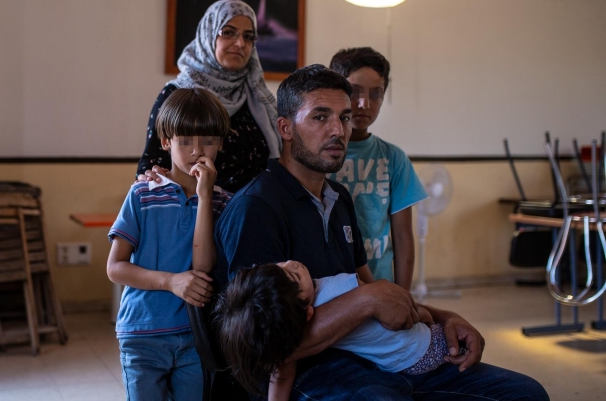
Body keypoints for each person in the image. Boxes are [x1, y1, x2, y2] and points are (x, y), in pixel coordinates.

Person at [214, 64, 549, 400]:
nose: (337, 130)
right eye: (320, 117)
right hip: (309, 369)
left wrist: (445, 317)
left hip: (377, 355)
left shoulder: (338, 197)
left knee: (525, 393)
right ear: (285, 127)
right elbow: (259, 345)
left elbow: (373, 288)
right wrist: (364, 301)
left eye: (344, 118)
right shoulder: (256, 208)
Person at [107, 88, 234, 400]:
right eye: (185, 140)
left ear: (219, 142)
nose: (197, 150)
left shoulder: (223, 202)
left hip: (195, 336)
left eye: (207, 140)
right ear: (166, 142)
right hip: (141, 334)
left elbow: (203, 267)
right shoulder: (142, 195)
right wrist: (171, 281)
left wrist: (205, 196)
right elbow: (115, 267)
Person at [215, 261, 450, 400]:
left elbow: (282, 370)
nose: (292, 263)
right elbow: (398, 308)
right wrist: (428, 318)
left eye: (280, 265)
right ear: (308, 314)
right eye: (295, 276)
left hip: (410, 355)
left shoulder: (285, 321)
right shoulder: (342, 285)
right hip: (423, 354)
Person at [138, 0, 280, 193]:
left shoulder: (259, 98)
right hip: (200, 212)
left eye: (248, 37)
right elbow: (151, 163)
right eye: (228, 32)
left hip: (258, 212)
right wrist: (151, 174)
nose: (240, 43)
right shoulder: (178, 94)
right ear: (208, 34)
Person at [328, 47, 427, 288]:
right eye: (354, 92)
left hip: (382, 285)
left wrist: (403, 297)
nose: (364, 103)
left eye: (375, 95)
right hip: (331, 288)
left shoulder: (393, 158)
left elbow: (403, 237)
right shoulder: (319, 154)